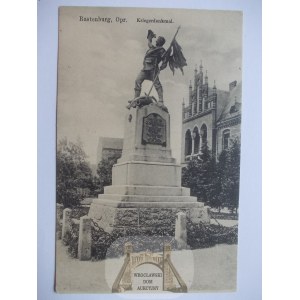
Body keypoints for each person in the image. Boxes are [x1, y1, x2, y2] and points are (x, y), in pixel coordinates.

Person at [134, 30, 167, 103]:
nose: (156, 41)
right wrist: (150, 37)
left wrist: (163, 66)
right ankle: (135, 99)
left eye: (158, 40)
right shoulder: (153, 48)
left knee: (157, 84)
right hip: (145, 69)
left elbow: (165, 60)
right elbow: (149, 43)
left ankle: (161, 100)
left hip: (153, 69)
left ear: (160, 42)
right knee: (137, 81)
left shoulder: (161, 50)